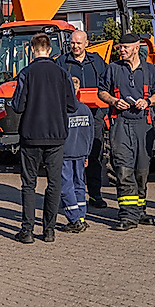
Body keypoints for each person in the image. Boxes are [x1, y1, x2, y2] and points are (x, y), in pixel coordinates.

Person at [12, 33, 76, 244]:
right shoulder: (62, 73)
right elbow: (72, 105)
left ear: (32, 50)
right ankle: (49, 230)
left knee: (28, 184)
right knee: (54, 183)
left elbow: (18, 105)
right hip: (56, 135)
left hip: (31, 134)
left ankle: (27, 231)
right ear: (50, 49)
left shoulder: (26, 73)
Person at [98, 33, 155, 231]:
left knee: (142, 170)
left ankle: (139, 210)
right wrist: (113, 101)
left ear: (136, 48)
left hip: (144, 125)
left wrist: (148, 101)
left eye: (125, 47)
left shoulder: (150, 70)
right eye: (120, 47)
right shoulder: (113, 69)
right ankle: (127, 215)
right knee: (123, 169)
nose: (121, 50)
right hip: (120, 125)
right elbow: (101, 91)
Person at [55, 29, 109, 208]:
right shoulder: (62, 62)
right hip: (69, 117)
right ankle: (69, 198)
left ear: (87, 43)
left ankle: (95, 195)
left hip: (94, 117)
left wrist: (102, 114)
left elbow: (106, 86)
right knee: (69, 158)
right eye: (72, 43)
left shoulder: (97, 62)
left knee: (95, 155)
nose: (75, 46)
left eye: (79, 43)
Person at [60, 77, 94, 233]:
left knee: (65, 186)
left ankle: (74, 219)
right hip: (81, 153)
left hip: (65, 154)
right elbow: (91, 133)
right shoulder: (85, 109)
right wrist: (87, 153)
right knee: (79, 184)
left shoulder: (61, 110)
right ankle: (81, 216)